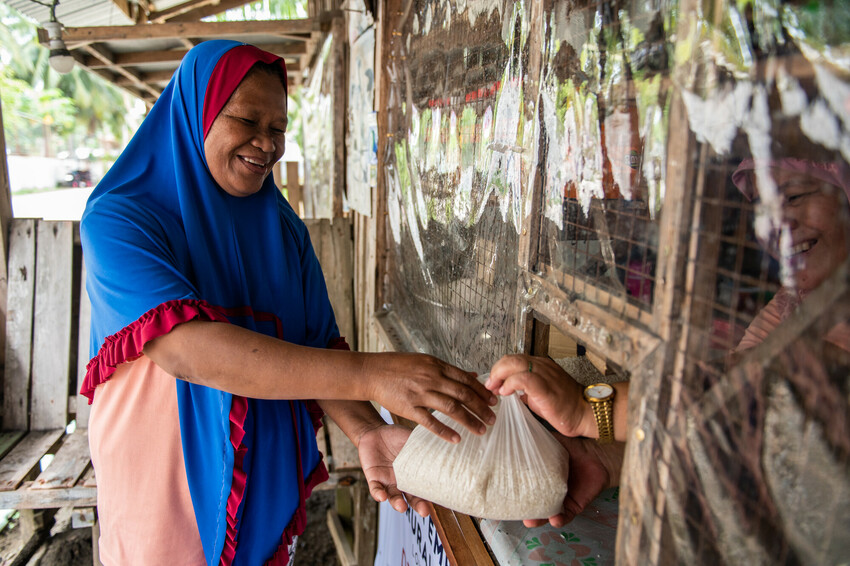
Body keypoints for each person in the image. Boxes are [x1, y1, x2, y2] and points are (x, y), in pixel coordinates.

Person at [80, 40, 496, 566]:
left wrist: (368, 430)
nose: (266, 144)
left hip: (264, 485)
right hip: (166, 489)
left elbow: (315, 346)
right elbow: (186, 350)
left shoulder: (282, 230)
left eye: (277, 129)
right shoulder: (121, 219)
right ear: (197, 111)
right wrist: (371, 375)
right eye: (247, 121)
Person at [485, 153, 850, 533]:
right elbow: (718, 410)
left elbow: (762, 389)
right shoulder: (796, 303)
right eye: (765, 207)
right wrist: (610, 456)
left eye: (794, 198)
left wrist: (590, 409)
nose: (779, 223)